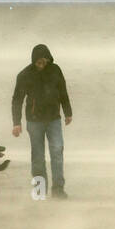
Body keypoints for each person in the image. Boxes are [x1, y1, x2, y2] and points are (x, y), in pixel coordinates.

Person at [10, 43, 73, 199]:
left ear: (48, 59)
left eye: (44, 61)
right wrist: (16, 123)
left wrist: (68, 112)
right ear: (34, 61)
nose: (41, 65)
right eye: (38, 62)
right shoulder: (24, 75)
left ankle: (58, 189)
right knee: (37, 157)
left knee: (57, 152)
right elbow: (17, 100)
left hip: (54, 120)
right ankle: (39, 191)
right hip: (34, 121)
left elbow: (63, 91)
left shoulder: (55, 70)